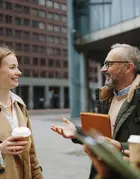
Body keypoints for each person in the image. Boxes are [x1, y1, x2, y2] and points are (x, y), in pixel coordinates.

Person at [51, 43, 140, 178]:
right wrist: (78, 133)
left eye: (109, 64)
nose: (103, 69)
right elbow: (102, 137)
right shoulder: (105, 97)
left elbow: (116, 144)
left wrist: (121, 147)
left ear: (128, 67)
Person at [0, 45, 43, 179]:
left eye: (17, 67)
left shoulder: (20, 105)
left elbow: (31, 154)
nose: (19, 72)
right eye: (12, 67)